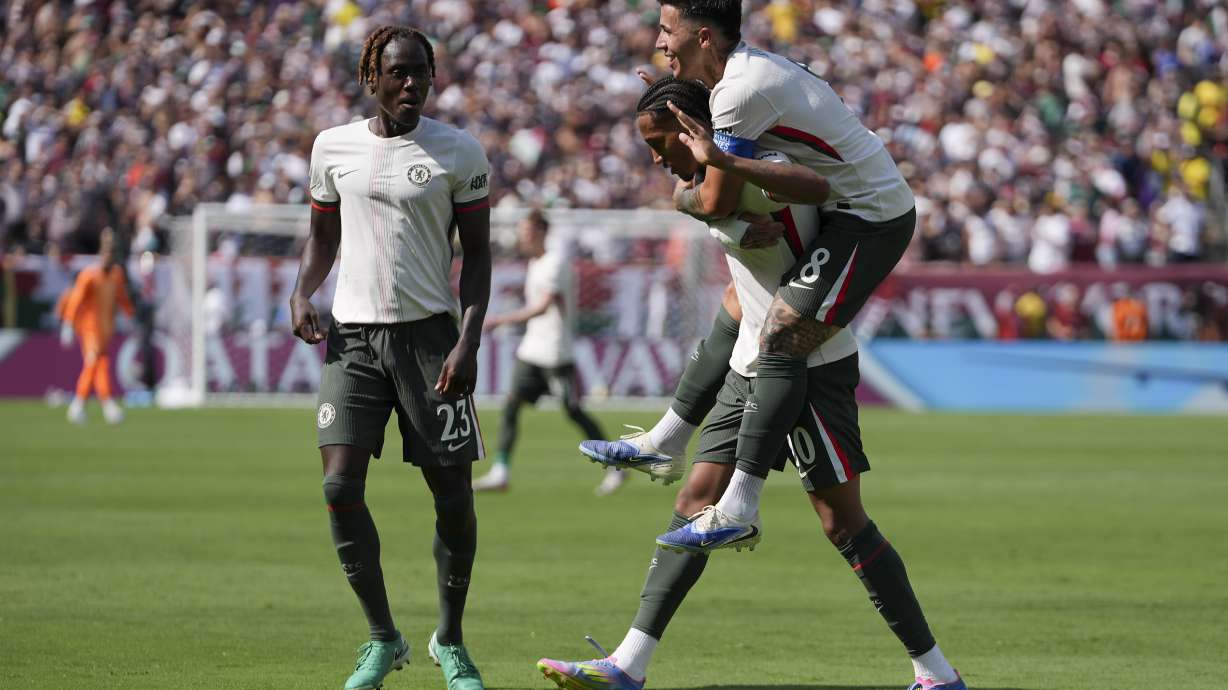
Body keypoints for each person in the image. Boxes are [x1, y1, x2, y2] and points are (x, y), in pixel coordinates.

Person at [538, 77, 964, 690]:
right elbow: (733, 275)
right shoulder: (708, 179)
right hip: (751, 362)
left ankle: (936, 673)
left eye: (662, 143)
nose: (657, 159)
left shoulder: (757, 163)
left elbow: (808, 188)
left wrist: (721, 184)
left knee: (843, 524)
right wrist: (726, 221)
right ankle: (627, 664)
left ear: (694, 130)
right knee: (692, 504)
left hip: (808, 366)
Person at [288, 25, 491, 690]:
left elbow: (479, 256)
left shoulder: (458, 152)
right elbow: (323, 235)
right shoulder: (332, 148)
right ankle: (383, 638)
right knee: (340, 486)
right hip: (353, 340)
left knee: (453, 498)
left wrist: (469, 338)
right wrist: (301, 293)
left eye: (421, 74)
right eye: (398, 74)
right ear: (369, 78)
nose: (411, 85)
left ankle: (450, 640)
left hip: (432, 340)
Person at [474, 209, 621, 495]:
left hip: (555, 352)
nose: (522, 238)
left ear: (541, 231)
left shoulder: (555, 263)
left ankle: (616, 464)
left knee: (574, 411)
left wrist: (500, 320)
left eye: (527, 232)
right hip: (532, 349)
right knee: (511, 406)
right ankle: (500, 471)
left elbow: (544, 306)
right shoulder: (536, 263)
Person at [58, 227, 133, 424]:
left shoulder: (116, 275)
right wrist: (68, 323)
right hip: (89, 329)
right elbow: (76, 300)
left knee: (101, 365)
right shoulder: (89, 275)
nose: (110, 256)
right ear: (101, 253)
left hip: (106, 330)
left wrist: (129, 316)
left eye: (113, 252)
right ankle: (80, 405)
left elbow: (122, 298)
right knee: (93, 363)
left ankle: (103, 406)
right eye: (107, 252)